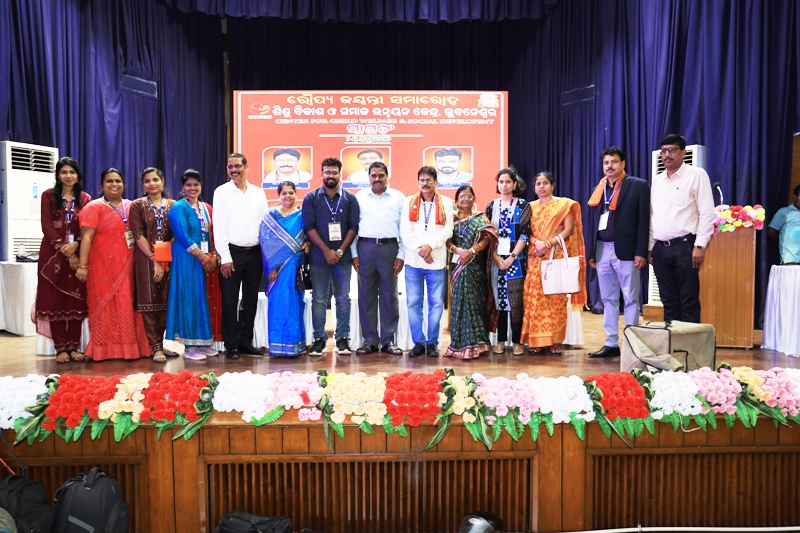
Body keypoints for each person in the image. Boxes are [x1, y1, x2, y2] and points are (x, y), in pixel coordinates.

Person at [75, 168, 150, 360]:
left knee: (128, 304)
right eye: (109, 181)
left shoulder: (131, 206)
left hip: (130, 266)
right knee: (104, 306)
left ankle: (133, 348)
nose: (114, 184)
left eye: (118, 181)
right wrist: (82, 266)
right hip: (102, 268)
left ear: (124, 184)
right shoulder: (93, 207)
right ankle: (103, 349)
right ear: (102, 185)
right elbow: (86, 238)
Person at [586, 147, 650, 359]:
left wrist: (641, 251)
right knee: (608, 299)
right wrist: (592, 252)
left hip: (627, 250)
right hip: (602, 249)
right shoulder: (599, 188)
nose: (609, 166)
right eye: (606, 162)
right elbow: (593, 223)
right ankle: (611, 343)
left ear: (623, 164)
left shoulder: (638, 185)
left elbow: (643, 221)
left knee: (630, 298)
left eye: (614, 162)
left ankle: (631, 344)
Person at [649, 134, 716, 323]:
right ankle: (673, 340)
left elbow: (707, 213)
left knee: (688, 301)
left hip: (685, 247)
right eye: (663, 151)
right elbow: (653, 215)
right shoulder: (658, 180)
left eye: (672, 150)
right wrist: (651, 246)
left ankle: (690, 342)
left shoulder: (697, 175)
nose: (666, 155)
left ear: (683, 152)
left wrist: (700, 245)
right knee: (669, 302)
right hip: (660, 249)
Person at [520, 171, 587, 354]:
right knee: (534, 299)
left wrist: (548, 243)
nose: (541, 187)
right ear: (534, 188)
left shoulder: (564, 205)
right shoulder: (529, 207)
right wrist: (536, 242)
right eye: (538, 184)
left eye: (545, 183)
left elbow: (569, 230)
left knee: (555, 299)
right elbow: (525, 231)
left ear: (552, 185)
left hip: (555, 256)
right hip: (535, 256)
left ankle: (554, 341)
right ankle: (536, 341)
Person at [34, 157, 92, 363]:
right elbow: (46, 226)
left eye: (72, 172)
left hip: (79, 253)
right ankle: (60, 348)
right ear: (58, 175)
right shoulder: (48, 196)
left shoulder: (85, 198)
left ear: (78, 175)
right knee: (54, 301)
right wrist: (65, 250)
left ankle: (73, 346)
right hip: (52, 254)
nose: (68, 176)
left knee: (76, 298)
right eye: (64, 172)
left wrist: (76, 245)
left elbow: (87, 227)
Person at [213, 153, 269, 359]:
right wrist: (225, 258)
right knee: (229, 302)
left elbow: (265, 224)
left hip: (255, 254)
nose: (233, 170)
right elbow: (219, 227)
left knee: (250, 301)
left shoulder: (258, 193)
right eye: (230, 167)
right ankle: (232, 345)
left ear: (246, 167)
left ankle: (246, 342)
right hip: (232, 255)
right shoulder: (222, 192)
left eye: (237, 166)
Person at [303, 157, 360, 356]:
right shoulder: (311, 198)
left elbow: (353, 227)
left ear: (340, 174)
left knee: (343, 299)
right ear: (321, 174)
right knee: (319, 299)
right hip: (318, 258)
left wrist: (340, 252)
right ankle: (319, 338)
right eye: (327, 172)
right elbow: (309, 227)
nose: (331, 175)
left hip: (342, 259)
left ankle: (342, 338)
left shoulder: (350, 199)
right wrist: (327, 251)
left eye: (334, 172)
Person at [400, 166, 455, 357]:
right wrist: (421, 250)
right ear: (418, 182)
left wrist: (430, 246)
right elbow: (405, 231)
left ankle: (432, 342)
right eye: (422, 180)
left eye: (429, 180)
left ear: (436, 182)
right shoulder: (408, 201)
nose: (425, 183)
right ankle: (418, 342)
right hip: (413, 262)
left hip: (436, 261)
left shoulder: (445, 202)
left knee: (436, 304)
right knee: (413, 303)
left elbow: (448, 229)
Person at [352, 161, 405, 356]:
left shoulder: (398, 197)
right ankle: (370, 340)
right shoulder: (359, 197)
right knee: (366, 295)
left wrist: (401, 254)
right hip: (365, 248)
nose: (377, 179)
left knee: (389, 295)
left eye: (381, 175)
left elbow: (404, 228)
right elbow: (353, 227)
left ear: (387, 177)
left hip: (389, 248)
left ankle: (388, 340)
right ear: (368, 177)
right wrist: (354, 254)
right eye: (373, 175)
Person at [165, 169, 218, 360]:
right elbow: (183, 236)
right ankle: (188, 346)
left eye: (196, 184)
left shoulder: (205, 207)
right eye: (188, 185)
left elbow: (209, 233)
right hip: (185, 258)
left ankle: (202, 342)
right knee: (187, 297)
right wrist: (204, 257)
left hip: (202, 258)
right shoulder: (178, 207)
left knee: (200, 298)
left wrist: (212, 256)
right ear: (182, 187)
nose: (192, 188)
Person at [445, 185, 498, 359]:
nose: (465, 199)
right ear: (456, 201)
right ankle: (457, 345)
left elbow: (488, 237)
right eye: (462, 196)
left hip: (475, 266)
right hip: (457, 265)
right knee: (458, 304)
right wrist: (456, 250)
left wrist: (472, 251)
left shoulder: (480, 218)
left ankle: (478, 345)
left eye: (469, 196)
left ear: (474, 199)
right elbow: (446, 240)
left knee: (475, 304)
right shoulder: (451, 219)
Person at [129, 167, 175, 363]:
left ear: (162, 181)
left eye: (155, 179)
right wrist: (155, 259)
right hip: (145, 259)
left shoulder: (173, 205)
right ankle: (155, 348)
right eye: (147, 181)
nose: (151, 184)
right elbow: (137, 234)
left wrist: (162, 258)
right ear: (143, 184)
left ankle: (160, 344)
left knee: (165, 302)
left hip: (168, 259)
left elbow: (176, 234)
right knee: (149, 303)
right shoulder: (137, 205)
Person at [260, 181, 311, 356]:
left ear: (296, 194)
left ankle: (296, 345)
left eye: (291, 193)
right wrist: (271, 268)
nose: (288, 196)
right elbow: (265, 243)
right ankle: (277, 346)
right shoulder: (271, 216)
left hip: (295, 266)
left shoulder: (301, 215)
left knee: (295, 305)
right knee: (278, 305)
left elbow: (309, 234)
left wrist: (308, 243)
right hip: (277, 270)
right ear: (279, 195)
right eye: (284, 193)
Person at [485, 167, 529, 356]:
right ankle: (501, 340)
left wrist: (512, 257)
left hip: (517, 261)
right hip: (496, 261)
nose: (504, 185)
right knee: (500, 302)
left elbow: (525, 234)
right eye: (501, 181)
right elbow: (487, 235)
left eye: (508, 182)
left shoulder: (523, 205)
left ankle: (518, 341)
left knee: (516, 302)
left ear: (515, 184)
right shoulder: (491, 206)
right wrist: (496, 258)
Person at [768, 184, 800, 265]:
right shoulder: (784, 212)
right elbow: (771, 232)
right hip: (791, 259)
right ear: (795, 197)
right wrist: (782, 242)